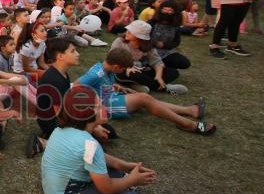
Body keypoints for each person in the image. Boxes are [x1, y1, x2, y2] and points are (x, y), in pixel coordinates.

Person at [41, 87, 156, 194]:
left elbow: (96, 157)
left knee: (114, 170)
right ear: (87, 114)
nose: (104, 106)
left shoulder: (61, 130)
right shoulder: (89, 145)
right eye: (99, 105)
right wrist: (132, 180)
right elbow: (106, 188)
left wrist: (124, 165)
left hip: (55, 189)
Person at [77, 48, 215, 135]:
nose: (123, 71)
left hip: (110, 97)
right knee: (144, 98)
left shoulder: (105, 68)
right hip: (106, 107)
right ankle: (187, 124)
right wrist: (94, 109)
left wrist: (116, 86)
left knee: (147, 99)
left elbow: (100, 84)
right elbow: (74, 89)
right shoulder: (95, 74)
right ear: (117, 66)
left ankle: (190, 110)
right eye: (123, 69)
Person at [111, 20, 188, 94]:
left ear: (140, 37)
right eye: (128, 30)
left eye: (132, 31)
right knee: (134, 74)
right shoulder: (119, 41)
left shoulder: (147, 46)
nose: (127, 32)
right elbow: (113, 58)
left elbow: (157, 62)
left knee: (173, 72)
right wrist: (127, 67)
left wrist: (158, 76)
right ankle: (164, 87)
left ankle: (136, 85)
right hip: (123, 70)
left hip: (142, 69)